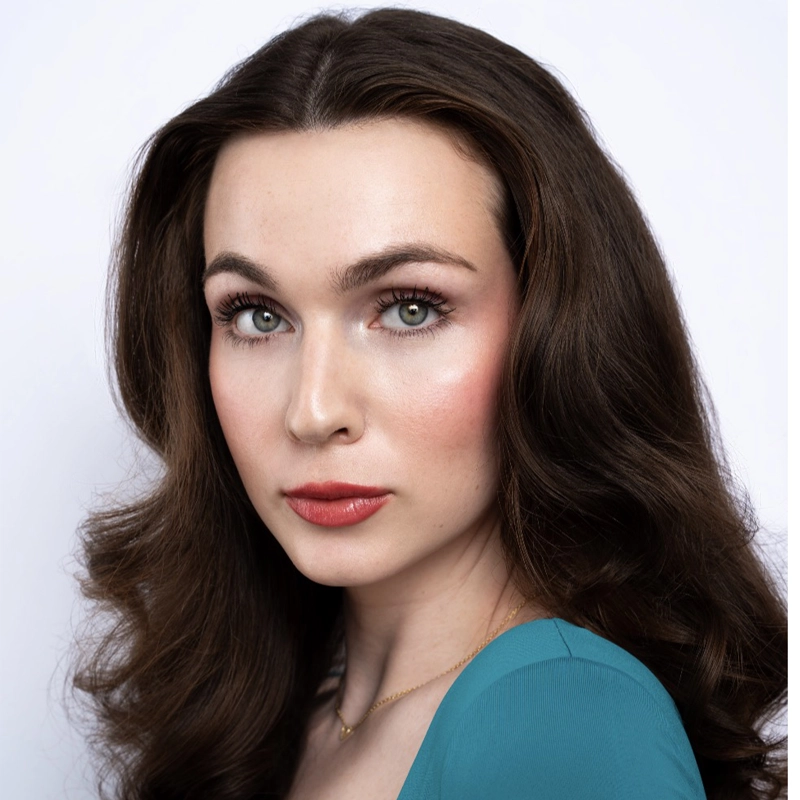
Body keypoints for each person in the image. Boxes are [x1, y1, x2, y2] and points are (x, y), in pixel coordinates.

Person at [70, 8, 787, 800]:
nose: (312, 411)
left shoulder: (559, 724)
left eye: (409, 308)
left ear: (556, 332)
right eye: (256, 316)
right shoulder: (274, 712)